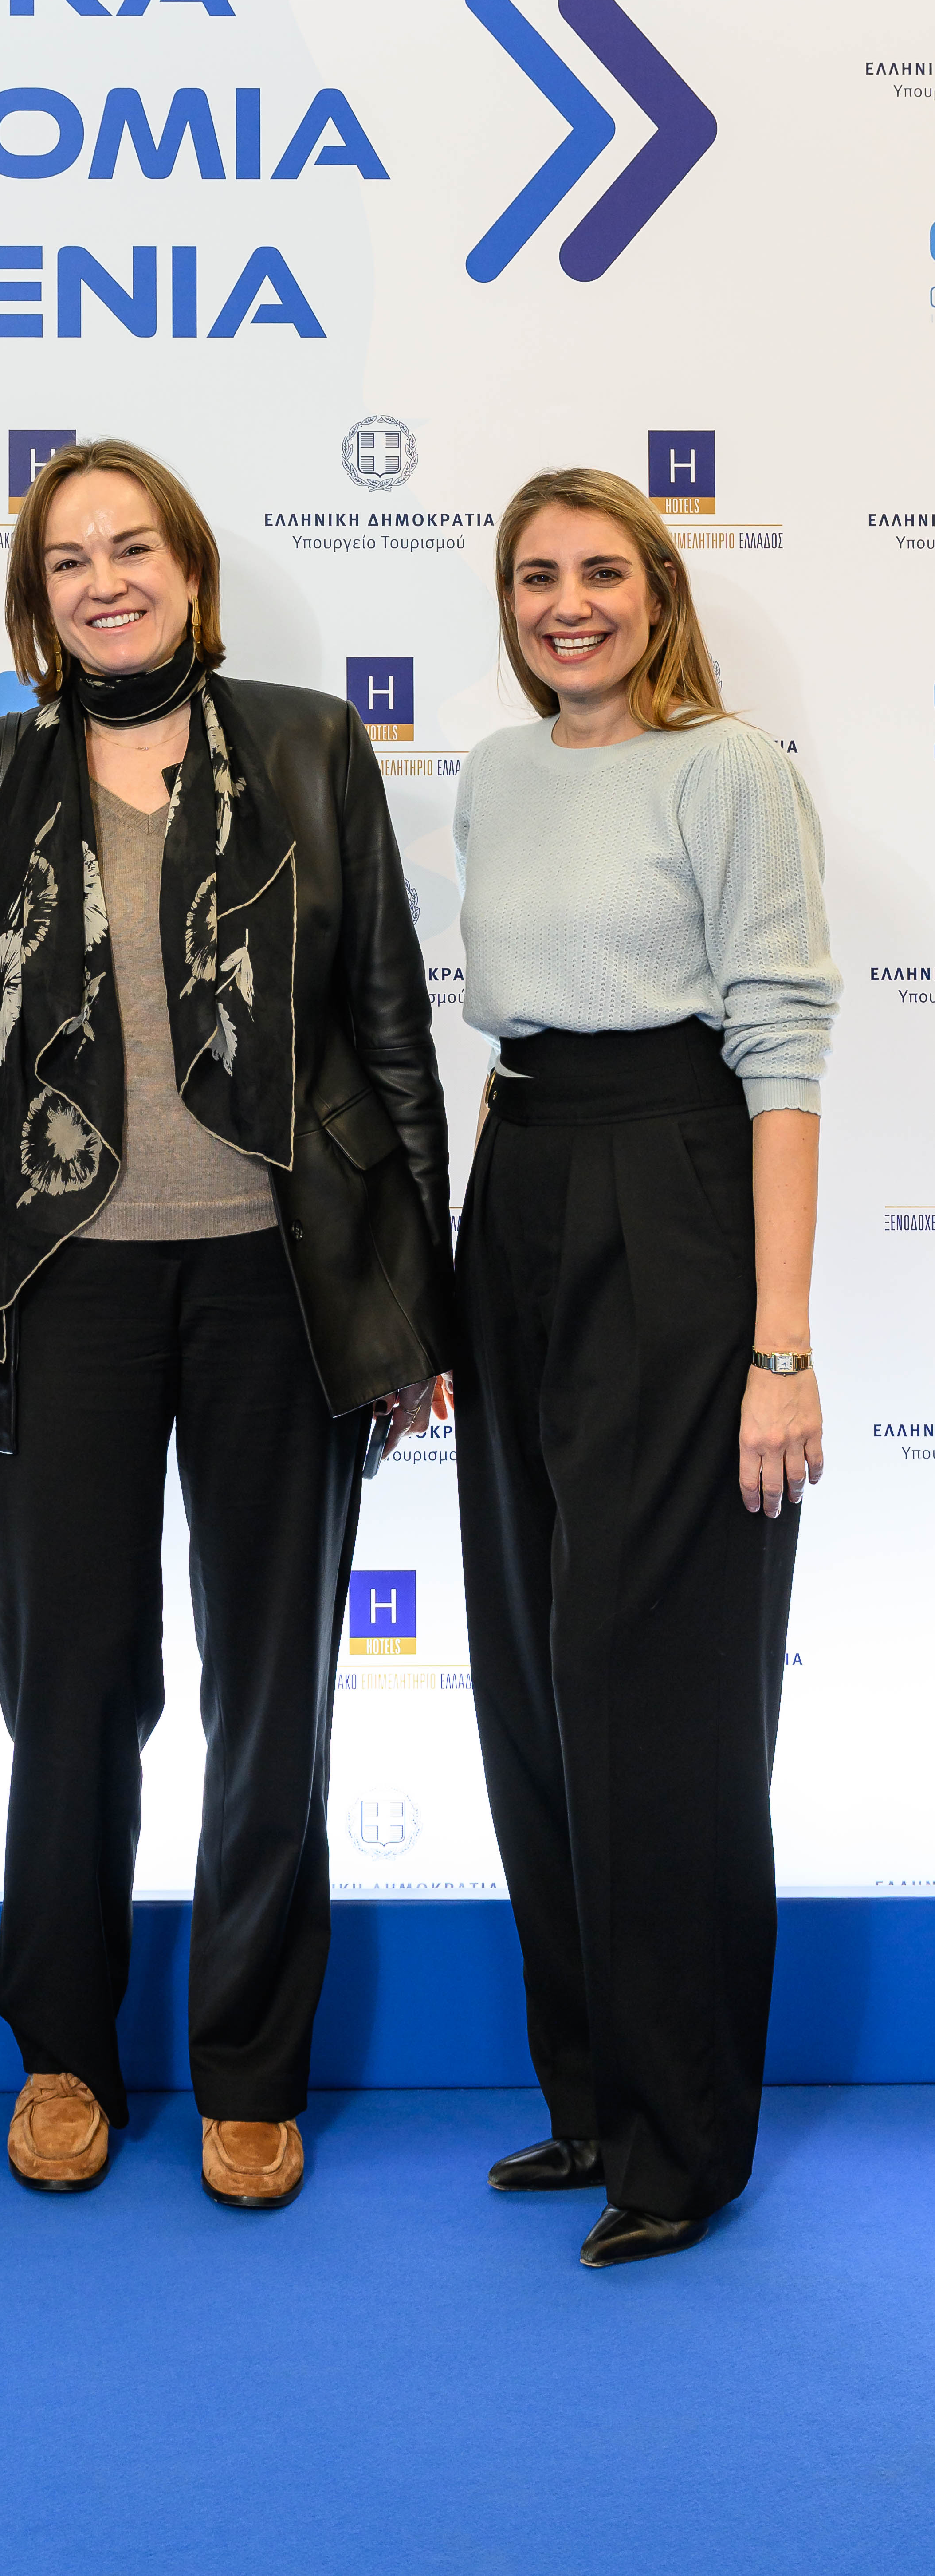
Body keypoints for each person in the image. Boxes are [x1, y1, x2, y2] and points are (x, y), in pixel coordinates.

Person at [0, 439, 451, 2210]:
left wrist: (412, 1299)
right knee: (69, 1690)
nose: (105, 581)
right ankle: (63, 2050)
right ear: (37, 599)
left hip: (278, 1278)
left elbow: (388, 1025)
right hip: (59, 1283)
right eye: (68, 560)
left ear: (191, 568)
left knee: (272, 1685)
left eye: (131, 546)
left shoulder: (308, 745)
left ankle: (249, 2065)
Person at [453, 466, 837, 2269]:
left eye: (602, 570)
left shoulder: (729, 769)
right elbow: (511, 1039)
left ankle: (684, 2142)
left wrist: (780, 1345)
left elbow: (783, 1054)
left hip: (676, 1197)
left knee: (655, 1691)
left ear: (660, 591)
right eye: (537, 574)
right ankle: (595, 2097)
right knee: (534, 1674)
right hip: (517, 1192)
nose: (568, 602)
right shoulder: (495, 769)